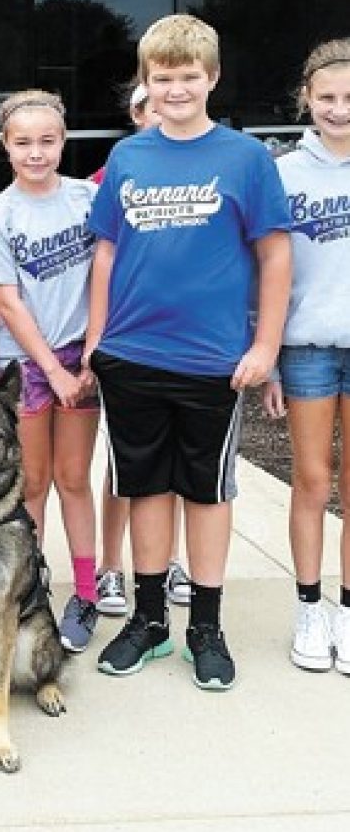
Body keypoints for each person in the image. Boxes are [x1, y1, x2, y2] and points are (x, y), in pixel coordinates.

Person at [85, 14, 291, 691]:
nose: (176, 89)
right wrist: (97, 338)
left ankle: (206, 624)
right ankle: (148, 620)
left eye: (188, 77)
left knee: (204, 491)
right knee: (144, 485)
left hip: (212, 360)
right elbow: (108, 250)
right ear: (146, 83)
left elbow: (274, 253)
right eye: (162, 78)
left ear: (213, 78)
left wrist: (266, 344)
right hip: (133, 354)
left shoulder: (245, 158)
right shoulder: (129, 158)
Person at [0, 89, 100, 654]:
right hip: (26, 364)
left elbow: (107, 275)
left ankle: (89, 592)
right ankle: (32, 587)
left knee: (75, 478)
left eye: (47, 141)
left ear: (63, 140)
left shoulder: (87, 200)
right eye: (23, 142)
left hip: (82, 356)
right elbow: (8, 302)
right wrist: (51, 370)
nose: (36, 153)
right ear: (5, 145)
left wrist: (91, 351)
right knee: (32, 483)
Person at [262, 38, 350, 674]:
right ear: (307, 101)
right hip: (308, 349)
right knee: (313, 482)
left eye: (349, 98)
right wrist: (265, 359)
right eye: (327, 97)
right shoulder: (285, 174)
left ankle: (347, 609)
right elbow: (265, 272)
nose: (339, 109)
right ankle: (310, 608)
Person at [92, 82, 191, 617]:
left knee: (173, 463)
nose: (158, 114)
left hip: (183, 344)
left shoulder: (200, 171)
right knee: (123, 461)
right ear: (135, 113)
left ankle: (168, 557)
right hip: (128, 340)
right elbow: (100, 259)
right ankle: (112, 564)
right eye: (147, 106)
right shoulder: (111, 176)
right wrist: (97, 336)